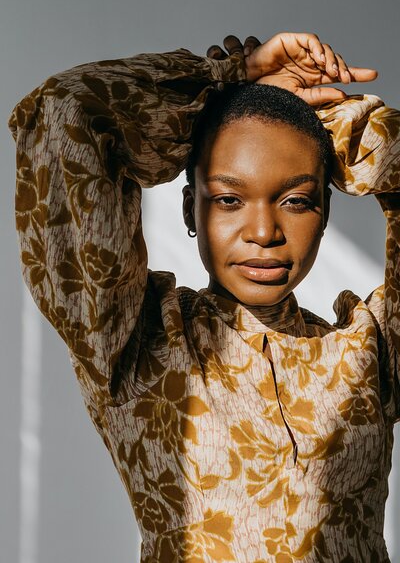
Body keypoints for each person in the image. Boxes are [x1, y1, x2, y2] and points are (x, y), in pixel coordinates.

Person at [8, 32, 399, 562]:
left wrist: (335, 128)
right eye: (229, 199)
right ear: (192, 208)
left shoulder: (370, 353)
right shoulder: (135, 342)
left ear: (325, 213)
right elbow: (62, 112)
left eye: (296, 199)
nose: (263, 231)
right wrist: (225, 83)